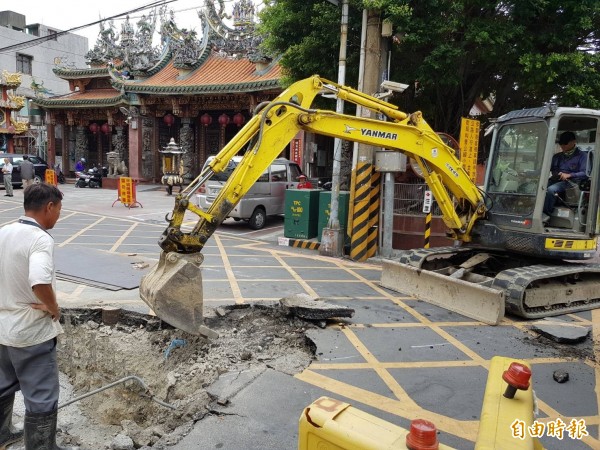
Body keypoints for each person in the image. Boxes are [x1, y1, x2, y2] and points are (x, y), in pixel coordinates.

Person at [0, 184, 78, 450]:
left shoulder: (4, 232)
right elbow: (40, 281)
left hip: (2, 329)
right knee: (42, 396)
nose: (58, 216)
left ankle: (2, 435)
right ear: (49, 207)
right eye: (59, 210)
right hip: (29, 333)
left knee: (2, 384)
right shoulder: (40, 239)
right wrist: (53, 306)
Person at [543, 131, 588, 221]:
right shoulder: (557, 156)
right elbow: (547, 168)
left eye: (565, 144)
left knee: (551, 190)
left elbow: (585, 173)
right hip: (557, 179)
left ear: (573, 142)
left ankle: (546, 214)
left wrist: (569, 175)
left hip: (572, 182)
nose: (562, 146)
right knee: (540, 188)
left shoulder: (583, 156)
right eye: (561, 144)